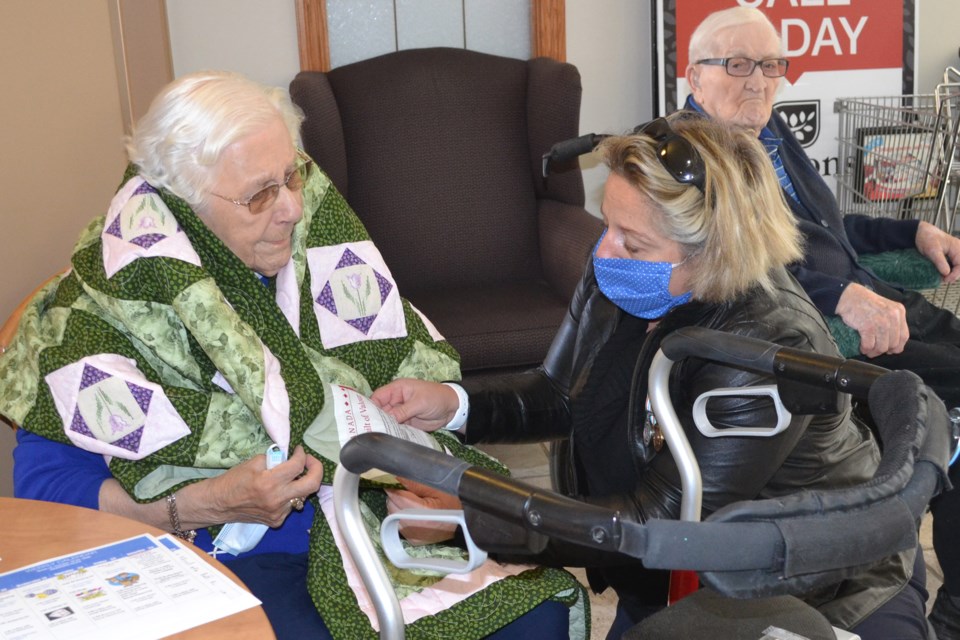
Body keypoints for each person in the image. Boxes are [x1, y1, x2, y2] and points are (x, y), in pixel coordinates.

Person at [0, 71, 584, 640]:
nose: (292, 211)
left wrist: (426, 453)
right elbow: (46, 486)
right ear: (182, 204)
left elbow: (391, 354)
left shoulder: (315, 255)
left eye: (292, 176)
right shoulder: (96, 313)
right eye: (259, 194)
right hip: (238, 544)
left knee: (532, 613)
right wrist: (204, 504)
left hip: (376, 512)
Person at [371, 114, 933, 639]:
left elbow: (657, 516)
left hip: (815, 586)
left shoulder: (765, 344)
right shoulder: (624, 275)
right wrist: (452, 402)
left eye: (632, 241)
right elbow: (560, 393)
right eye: (609, 225)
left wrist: (473, 519)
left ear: (713, 252)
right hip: (669, 570)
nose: (603, 251)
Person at [682, 7, 960, 636]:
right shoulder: (694, 161)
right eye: (737, 65)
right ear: (694, 77)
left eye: (772, 65)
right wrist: (838, 296)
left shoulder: (771, 133)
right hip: (817, 329)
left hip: (871, 298)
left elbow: (829, 234)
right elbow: (730, 267)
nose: (758, 80)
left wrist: (910, 229)